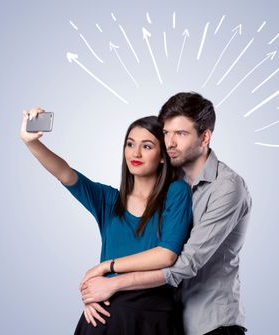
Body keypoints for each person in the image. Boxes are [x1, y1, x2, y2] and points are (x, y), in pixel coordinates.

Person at [79, 92, 253, 335]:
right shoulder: (170, 182)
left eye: (180, 134)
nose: (170, 142)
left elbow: (185, 264)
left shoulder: (226, 187)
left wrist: (112, 281)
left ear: (205, 137)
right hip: (168, 321)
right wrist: (96, 293)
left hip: (211, 323)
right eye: (166, 133)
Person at [20, 109, 193, 334]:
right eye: (130, 144)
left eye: (147, 146)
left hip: (155, 318)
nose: (136, 153)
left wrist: (105, 267)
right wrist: (31, 143)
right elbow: (64, 173)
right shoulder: (109, 200)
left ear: (162, 156)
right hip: (105, 317)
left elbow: (166, 255)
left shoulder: (176, 192)